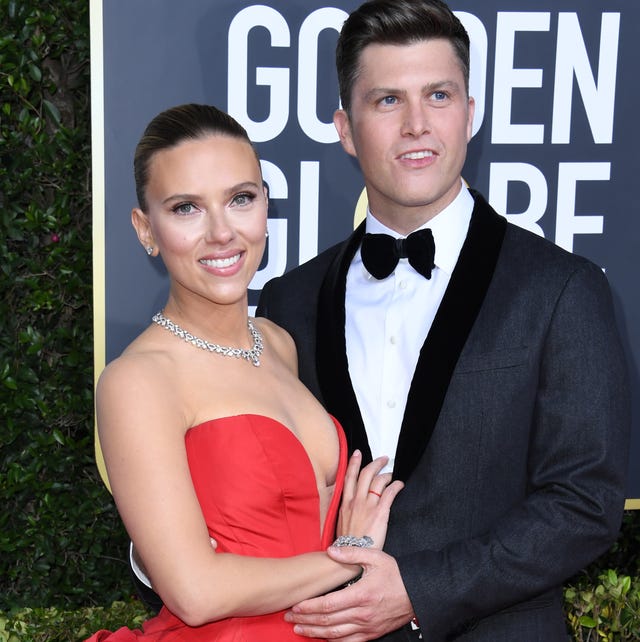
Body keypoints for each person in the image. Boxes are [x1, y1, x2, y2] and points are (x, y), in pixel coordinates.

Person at [255, 1, 632, 640]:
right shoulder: (288, 302)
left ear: (470, 113)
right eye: (386, 101)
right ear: (345, 129)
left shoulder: (563, 289)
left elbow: (584, 505)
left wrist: (419, 590)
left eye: (438, 94)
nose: (417, 125)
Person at [87, 103, 403, 641]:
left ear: (264, 206)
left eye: (240, 199)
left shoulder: (279, 344)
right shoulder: (137, 381)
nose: (221, 233)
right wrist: (349, 559)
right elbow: (195, 592)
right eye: (186, 208)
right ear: (146, 229)